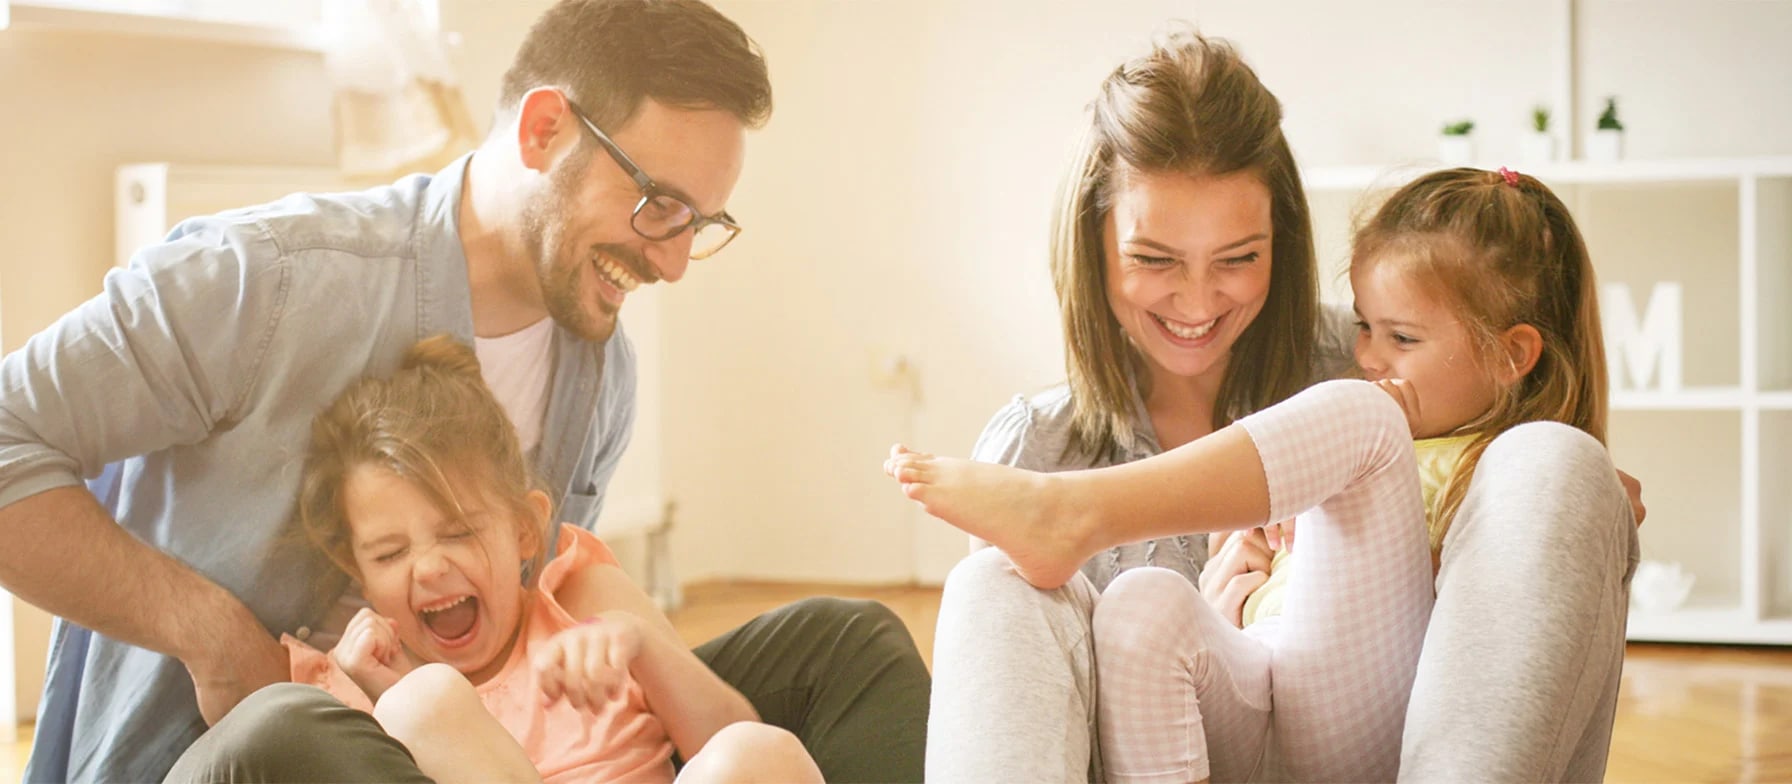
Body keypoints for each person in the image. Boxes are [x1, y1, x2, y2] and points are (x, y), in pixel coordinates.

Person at [0, 2, 927, 781]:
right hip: (249, 754)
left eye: (701, 223)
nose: (676, 262)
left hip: (481, 753)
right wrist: (210, 632)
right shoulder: (267, 277)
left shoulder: (600, 376)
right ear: (543, 129)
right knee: (292, 727)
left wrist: (622, 657)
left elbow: (530, 638)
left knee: (847, 645)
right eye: (659, 205)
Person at [908, 31, 1638, 784]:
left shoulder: (1379, 371)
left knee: (1522, 451)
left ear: (1280, 242)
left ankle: (1080, 511)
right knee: (998, 584)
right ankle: (1070, 520)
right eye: (1154, 259)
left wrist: (1562, 492)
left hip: (1391, 744)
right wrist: (1213, 619)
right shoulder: (1033, 444)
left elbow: (1523, 516)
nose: (1196, 302)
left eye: (1238, 258)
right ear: (1090, 245)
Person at [267, 335, 822, 783]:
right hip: (414, 711)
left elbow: (729, 738)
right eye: (390, 553)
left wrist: (643, 644)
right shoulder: (349, 683)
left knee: (755, 751)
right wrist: (389, 691)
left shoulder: (584, 606)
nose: (430, 568)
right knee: (424, 702)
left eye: (458, 532)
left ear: (524, 530)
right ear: (353, 567)